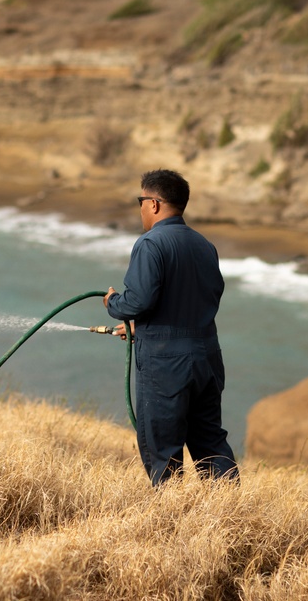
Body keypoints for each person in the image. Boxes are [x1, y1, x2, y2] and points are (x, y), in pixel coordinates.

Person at [103, 169, 239, 486]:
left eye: (140, 201)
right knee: (210, 443)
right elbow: (201, 300)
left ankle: (171, 523)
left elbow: (137, 300)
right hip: (207, 359)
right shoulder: (205, 246)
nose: (140, 208)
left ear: (154, 203)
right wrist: (143, 329)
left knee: (162, 449)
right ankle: (230, 515)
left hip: (166, 366)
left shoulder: (150, 243)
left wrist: (113, 303)